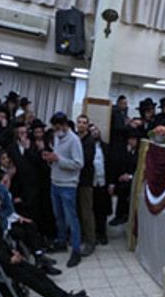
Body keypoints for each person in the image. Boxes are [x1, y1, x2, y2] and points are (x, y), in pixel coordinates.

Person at [0, 186, 90, 297]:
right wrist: (9, 259)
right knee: (29, 277)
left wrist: (12, 252)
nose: (0, 202)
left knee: (36, 272)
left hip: (3, 258)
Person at [43, 112, 84, 268]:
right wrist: (50, 158)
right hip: (55, 182)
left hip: (68, 185)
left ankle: (76, 250)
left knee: (71, 219)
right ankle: (61, 242)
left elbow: (78, 164)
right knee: (58, 216)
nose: (55, 130)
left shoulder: (74, 140)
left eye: (57, 127)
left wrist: (58, 159)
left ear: (64, 125)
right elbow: (57, 157)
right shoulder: (56, 137)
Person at [7, 123, 42, 221]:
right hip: (18, 182)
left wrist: (27, 149)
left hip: (32, 183)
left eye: (25, 133)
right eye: (21, 133)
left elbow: (37, 161)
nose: (23, 135)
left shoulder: (33, 145)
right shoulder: (12, 147)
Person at [29, 119, 56, 241]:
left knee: (47, 208)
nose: (39, 135)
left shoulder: (47, 144)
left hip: (47, 180)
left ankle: (49, 234)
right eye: (37, 132)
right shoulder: (30, 145)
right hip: (35, 181)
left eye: (41, 132)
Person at [75, 115, 96, 257]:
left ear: (88, 125)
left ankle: (90, 241)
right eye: (79, 122)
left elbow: (85, 160)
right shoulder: (74, 138)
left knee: (86, 212)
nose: (81, 125)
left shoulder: (90, 141)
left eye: (84, 123)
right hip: (73, 180)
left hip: (85, 181)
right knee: (77, 211)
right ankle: (81, 236)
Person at [89, 123, 113, 245]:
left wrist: (111, 183)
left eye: (96, 130)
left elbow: (112, 166)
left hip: (103, 183)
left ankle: (102, 233)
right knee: (91, 210)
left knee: (102, 211)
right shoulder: (86, 147)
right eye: (92, 130)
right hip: (90, 184)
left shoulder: (106, 147)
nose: (95, 132)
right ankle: (92, 234)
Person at [110, 127, 140, 227]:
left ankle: (124, 215)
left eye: (133, 139)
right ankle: (119, 215)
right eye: (130, 139)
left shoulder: (139, 153)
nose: (131, 141)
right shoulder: (127, 151)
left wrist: (130, 176)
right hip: (125, 178)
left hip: (134, 179)